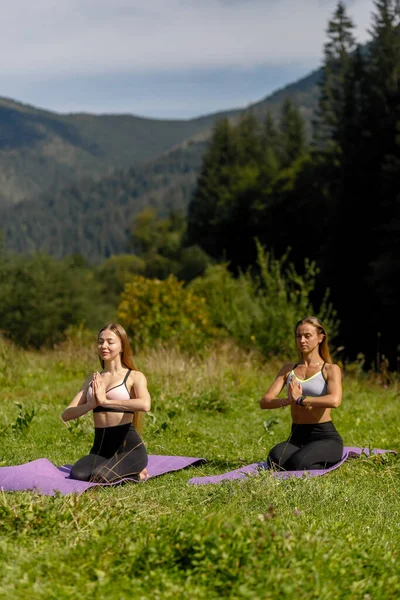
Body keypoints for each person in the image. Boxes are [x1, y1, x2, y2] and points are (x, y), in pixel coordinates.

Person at [61, 323, 151, 482]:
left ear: (122, 346)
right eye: (100, 341)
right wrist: (91, 405)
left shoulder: (134, 376)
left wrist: (105, 401)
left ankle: (138, 473)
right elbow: (66, 415)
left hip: (128, 449)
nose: (104, 346)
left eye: (110, 342)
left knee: (100, 477)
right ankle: (124, 470)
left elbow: (145, 404)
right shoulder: (93, 379)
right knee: (78, 475)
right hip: (100, 450)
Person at [260, 315, 343, 471]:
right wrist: (288, 400)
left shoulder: (330, 369)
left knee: (298, 464)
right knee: (275, 460)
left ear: (320, 337)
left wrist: (301, 399)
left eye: (307, 336)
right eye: (298, 336)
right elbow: (265, 401)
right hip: (297, 437)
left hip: (324, 436)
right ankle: (309, 457)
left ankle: (325, 459)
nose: (302, 340)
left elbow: (334, 400)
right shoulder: (288, 369)